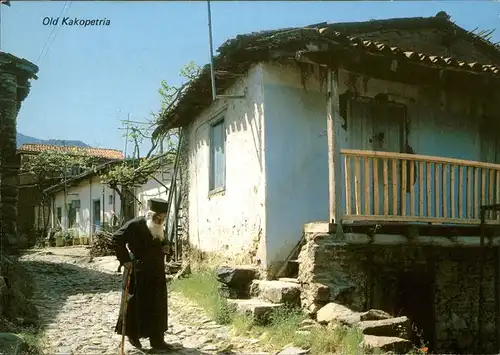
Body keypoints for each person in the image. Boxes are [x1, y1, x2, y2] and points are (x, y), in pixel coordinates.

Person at [113, 198, 171, 351]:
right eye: (158, 218)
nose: (161, 221)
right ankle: (134, 336)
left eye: (163, 218)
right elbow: (117, 238)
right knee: (136, 305)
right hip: (137, 271)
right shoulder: (136, 224)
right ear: (151, 215)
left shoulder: (159, 227)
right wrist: (124, 260)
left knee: (157, 305)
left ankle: (157, 340)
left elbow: (164, 241)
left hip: (156, 272)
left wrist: (167, 247)